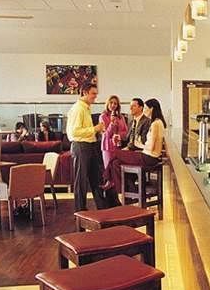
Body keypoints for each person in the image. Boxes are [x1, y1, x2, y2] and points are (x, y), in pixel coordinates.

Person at [102, 98, 165, 194]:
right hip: (146, 155)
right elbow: (129, 138)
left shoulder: (154, 124)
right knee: (115, 163)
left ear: (151, 109)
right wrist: (120, 138)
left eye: (145, 108)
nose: (144, 111)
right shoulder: (156, 122)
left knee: (115, 153)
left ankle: (109, 181)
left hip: (148, 157)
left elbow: (149, 146)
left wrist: (138, 144)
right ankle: (127, 192)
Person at [66, 83, 107, 211]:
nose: (95, 96)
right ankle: (80, 211)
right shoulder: (78, 109)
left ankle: (102, 208)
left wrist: (96, 130)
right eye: (93, 93)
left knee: (96, 179)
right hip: (81, 146)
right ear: (84, 92)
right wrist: (95, 129)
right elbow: (74, 132)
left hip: (89, 146)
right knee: (81, 181)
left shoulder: (85, 108)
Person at [99, 95, 128, 167]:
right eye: (111, 103)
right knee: (109, 168)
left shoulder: (121, 117)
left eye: (115, 103)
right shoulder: (103, 116)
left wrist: (118, 135)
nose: (113, 105)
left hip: (119, 146)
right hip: (108, 146)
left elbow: (126, 131)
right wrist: (111, 123)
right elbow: (106, 134)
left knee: (117, 169)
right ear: (107, 104)